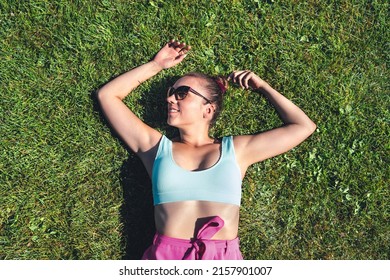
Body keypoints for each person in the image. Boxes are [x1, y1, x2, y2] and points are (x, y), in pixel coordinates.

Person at [97, 39, 316, 260]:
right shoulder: (156, 148)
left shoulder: (237, 150)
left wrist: (263, 87)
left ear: (208, 109)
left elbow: (303, 127)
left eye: (182, 93)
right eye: (171, 92)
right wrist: (156, 65)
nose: (170, 98)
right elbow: (107, 96)